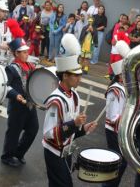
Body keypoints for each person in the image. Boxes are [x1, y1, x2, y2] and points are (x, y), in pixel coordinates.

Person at [43, 35, 97, 187]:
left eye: (80, 75)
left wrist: (84, 129)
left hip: (66, 150)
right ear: (65, 76)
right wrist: (74, 123)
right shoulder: (56, 100)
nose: (79, 79)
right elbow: (49, 133)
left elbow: (71, 131)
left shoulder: (75, 96)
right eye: (76, 75)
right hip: (54, 151)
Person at [1, 38, 38, 167]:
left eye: (27, 51)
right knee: (14, 132)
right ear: (16, 53)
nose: (27, 53)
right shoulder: (11, 68)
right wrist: (16, 95)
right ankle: (7, 156)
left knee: (33, 129)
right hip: (17, 106)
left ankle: (19, 152)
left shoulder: (30, 65)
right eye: (23, 52)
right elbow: (5, 86)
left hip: (30, 104)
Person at [103, 59, 128, 187]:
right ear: (120, 75)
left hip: (119, 130)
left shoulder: (124, 88)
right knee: (117, 164)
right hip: (114, 131)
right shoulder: (115, 90)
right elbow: (112, 118)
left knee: (121, 164)